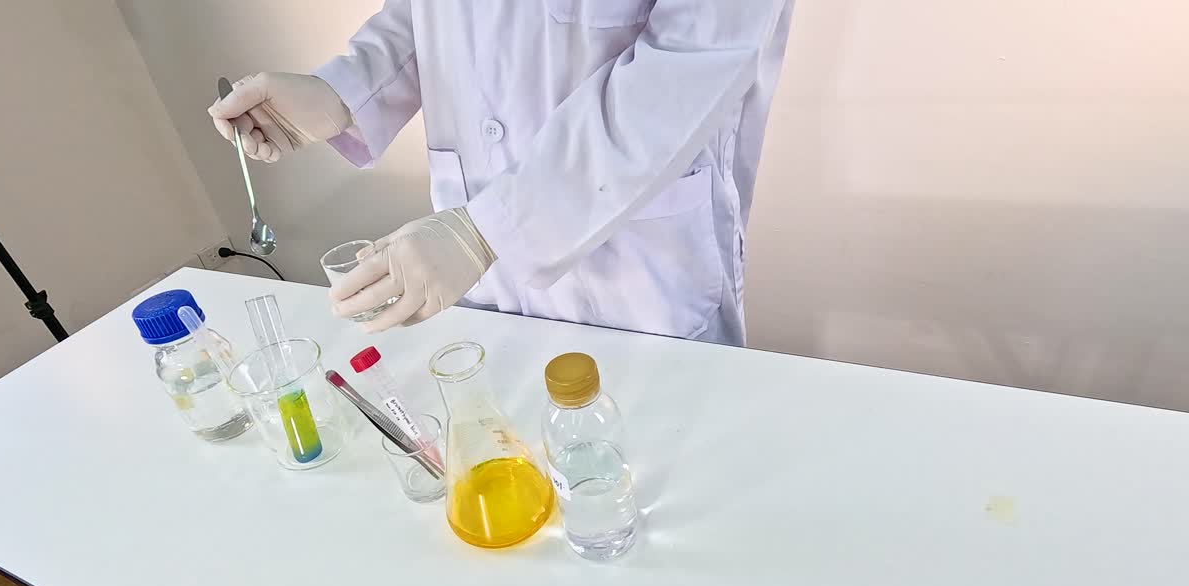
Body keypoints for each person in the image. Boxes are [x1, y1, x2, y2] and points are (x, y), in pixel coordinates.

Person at [209, 1, 794, 345]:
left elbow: (694, 60)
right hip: (480, 258)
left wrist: (493, 229)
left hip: (637, 261)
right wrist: (344, 90)